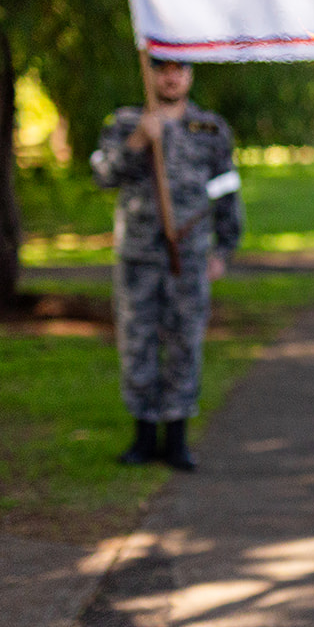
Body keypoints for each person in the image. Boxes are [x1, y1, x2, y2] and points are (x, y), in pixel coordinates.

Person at [90, 54, 244, 471]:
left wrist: (224, 248)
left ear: (190, 74)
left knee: (185, 341)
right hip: (139, 255)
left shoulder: (209, 129)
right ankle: (143, 436)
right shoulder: (124, 123)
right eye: (162, 68)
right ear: (151, 73)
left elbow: (226, 189)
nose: (171, 76)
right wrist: (140, 139)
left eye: (180, 68)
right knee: (137, 340)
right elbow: (102, 175)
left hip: (189, 255)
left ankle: (176, 439)